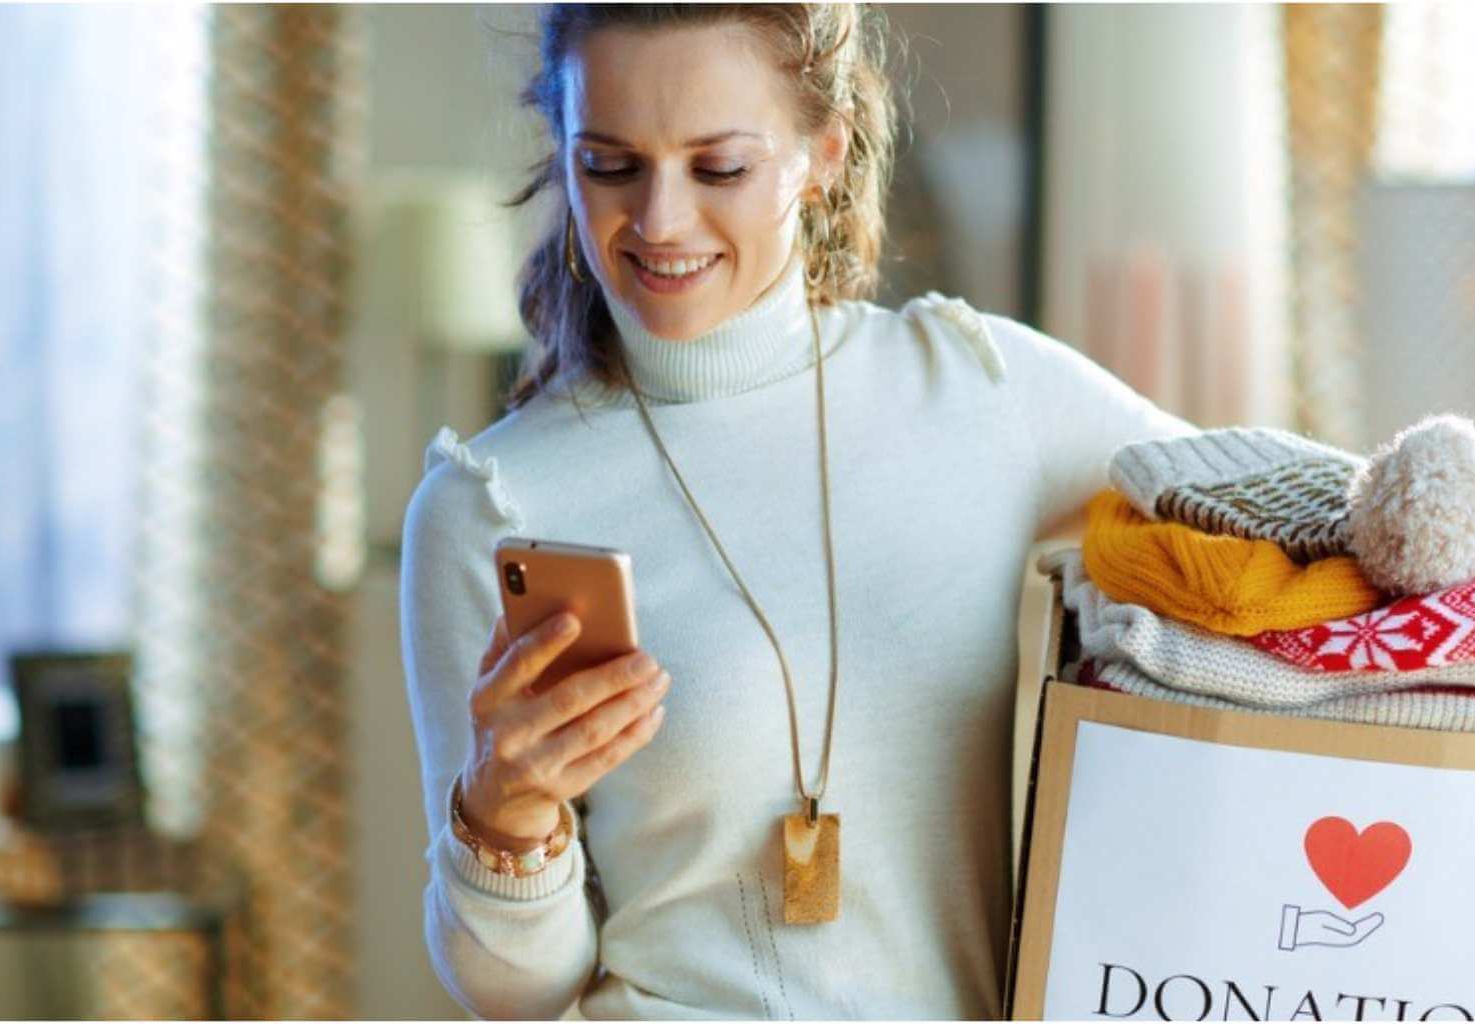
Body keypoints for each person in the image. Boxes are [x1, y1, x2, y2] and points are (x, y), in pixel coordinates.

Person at [399, 4, 1194, 1018]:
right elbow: (519, 996)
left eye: (719, 168)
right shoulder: (489, 504)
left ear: (823, 152)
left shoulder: (981, 390)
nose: (660, 221)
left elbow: (1285, 501)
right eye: (608, 165)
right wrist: (503, 817)